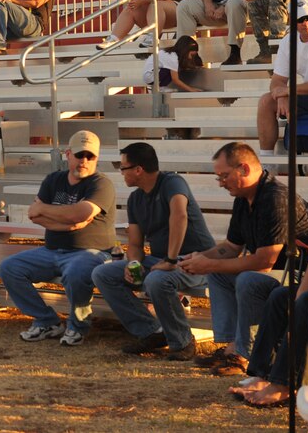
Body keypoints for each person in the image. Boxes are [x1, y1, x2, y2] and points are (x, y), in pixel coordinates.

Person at [179, 142, 308, 376]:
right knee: (219, 274)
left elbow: (264, 261)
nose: (221, 183)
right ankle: (232, 346)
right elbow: (231, 247)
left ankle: (246, 355)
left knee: (248, 280)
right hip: (279, 272)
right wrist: (199, 258)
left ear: (244, 168)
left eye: (224, 176)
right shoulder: (244, 198)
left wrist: (209, 263)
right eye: (218, 178)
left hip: (306, 275)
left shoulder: (276, 198)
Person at [92, 142, 215, 360]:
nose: (121, 173)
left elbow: (179, 216)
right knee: (103, 274)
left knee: (157, 280)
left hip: (198, 261)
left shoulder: (172, 182)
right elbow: (136, 244)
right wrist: (133, 264)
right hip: (159, 260)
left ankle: (182, 341)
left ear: (138, 169)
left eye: (123, 168)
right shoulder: (135, 198)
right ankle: (153, 332)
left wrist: (169, 259)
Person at [0, 130, 116, 346]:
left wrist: (48, 210)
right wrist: (68, 222)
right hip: (51, 251)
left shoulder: (101, 184)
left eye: (90, 156)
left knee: (76, 271)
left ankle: (77, 326)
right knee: (9, 268)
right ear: (68, 154)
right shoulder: (54, 179)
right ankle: (47, 321)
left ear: (97, 158)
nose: (84, 161)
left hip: (91, 252)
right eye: (79, 155)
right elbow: (34, 214)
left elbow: (80, 214)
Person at [229, 200, 308, 407]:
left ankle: (286, 386)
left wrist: (302, 300)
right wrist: (298, 298)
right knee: (281, 297)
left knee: (307, 302)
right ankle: (263, 374)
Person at [255, 0, 308, 161]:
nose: (305, 23)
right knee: (266, 101)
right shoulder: (288, 41)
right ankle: (267, 163)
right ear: (292, 21)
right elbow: (277, 81)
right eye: (300, 19)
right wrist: (282, 95)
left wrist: (287, 91)